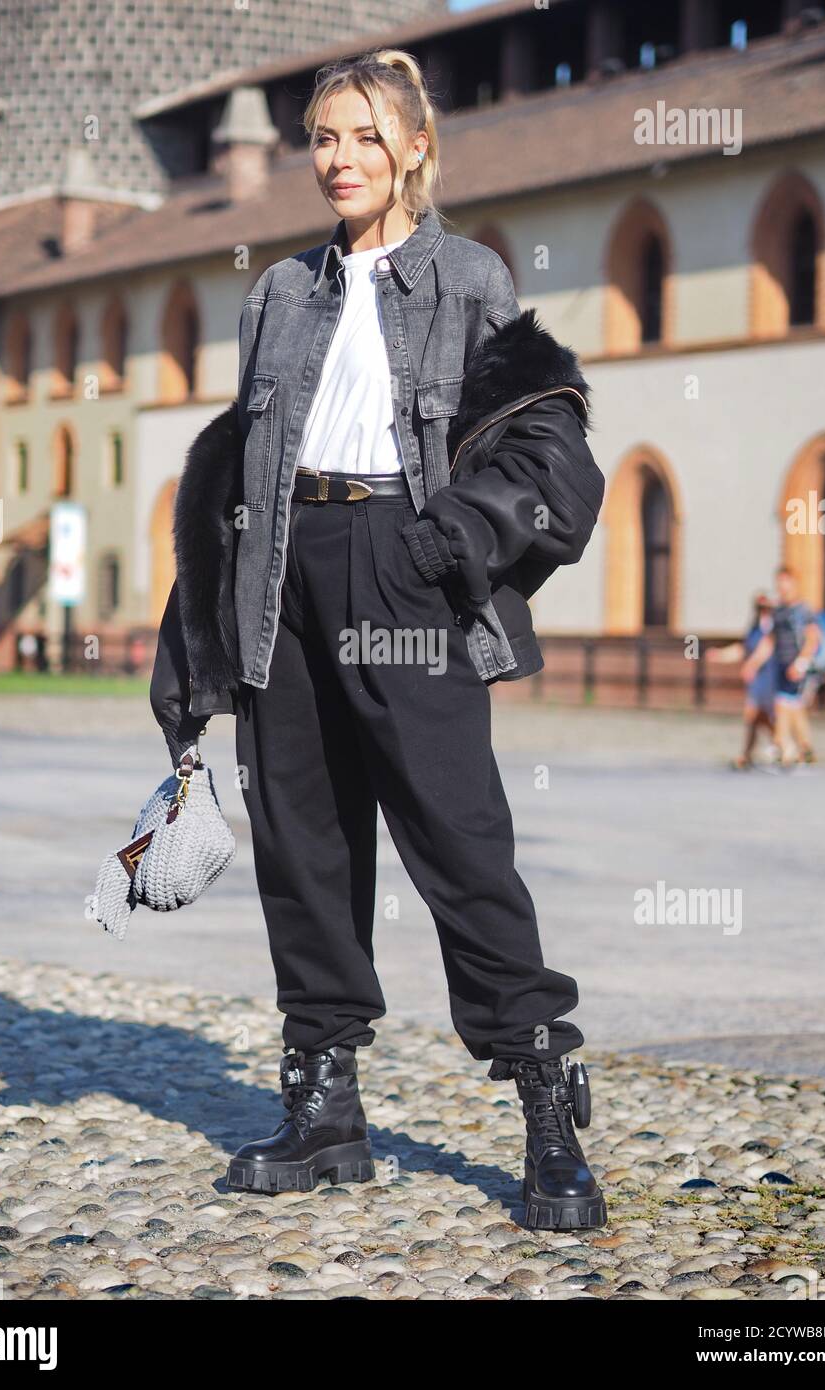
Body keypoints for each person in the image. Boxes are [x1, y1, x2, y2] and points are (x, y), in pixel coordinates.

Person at [150, 49, 607, 1230]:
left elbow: (534, 432)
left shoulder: (468, 277)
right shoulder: (279, 294)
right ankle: (325, 1107)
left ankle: (546, 1105)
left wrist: (441, 541)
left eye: (362, 136)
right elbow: (236, 466)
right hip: (280, 575)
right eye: (321, 138)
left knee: (457, 839)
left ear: (414, 147)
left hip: (407, 567)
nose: (339, 159)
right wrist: (199, 624)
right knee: (300, 842)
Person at [741, 566, 821, 767]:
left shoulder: (803, 610)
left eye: (785, 582)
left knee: (782, 705)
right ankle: (805, 747)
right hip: (781, 667)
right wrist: (753, 663)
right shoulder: (778, 612)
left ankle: (784, 748)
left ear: (794, 583)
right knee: (793, 707)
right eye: (779, 583)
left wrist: (801, 663)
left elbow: (813, 637)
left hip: (797, 668)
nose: (782, 587)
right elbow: (769, 642)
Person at [705, 592, 776, 769]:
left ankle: (777, 747)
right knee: (756, 716)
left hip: (770, 677)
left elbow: (767, 647)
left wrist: (752, 665)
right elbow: (744, 649)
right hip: (758, 680)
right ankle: (753, 752)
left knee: (757, 715)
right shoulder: (754, 627)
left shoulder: (772, 626)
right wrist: (720, 655)